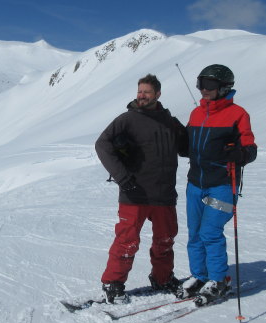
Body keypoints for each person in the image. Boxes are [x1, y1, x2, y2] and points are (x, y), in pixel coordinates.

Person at [95, 74, 188, 303]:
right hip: (134, 193)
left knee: (165, 240)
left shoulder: (170, 121)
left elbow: (187, 148)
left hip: (164, 194)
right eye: (139, 91)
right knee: (127, 241)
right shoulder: (128, 119)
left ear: (158, 94)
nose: (141, 96)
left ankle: (162, 278)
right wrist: (122, 177)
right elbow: (102, 144)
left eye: (146, 92)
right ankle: (113, 284)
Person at [176, 64, 257, 304]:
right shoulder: (196, 113)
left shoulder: (238, 114)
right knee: (194, 234)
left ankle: (219, 280)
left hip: (222, 184)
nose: (203, 89)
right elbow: (189, 145)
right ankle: (200, 276)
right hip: (195, 183)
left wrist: (240, 154)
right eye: (201, 83)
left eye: (209, 85)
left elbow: (250, 148)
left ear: (224, 87)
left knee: (210, 232)